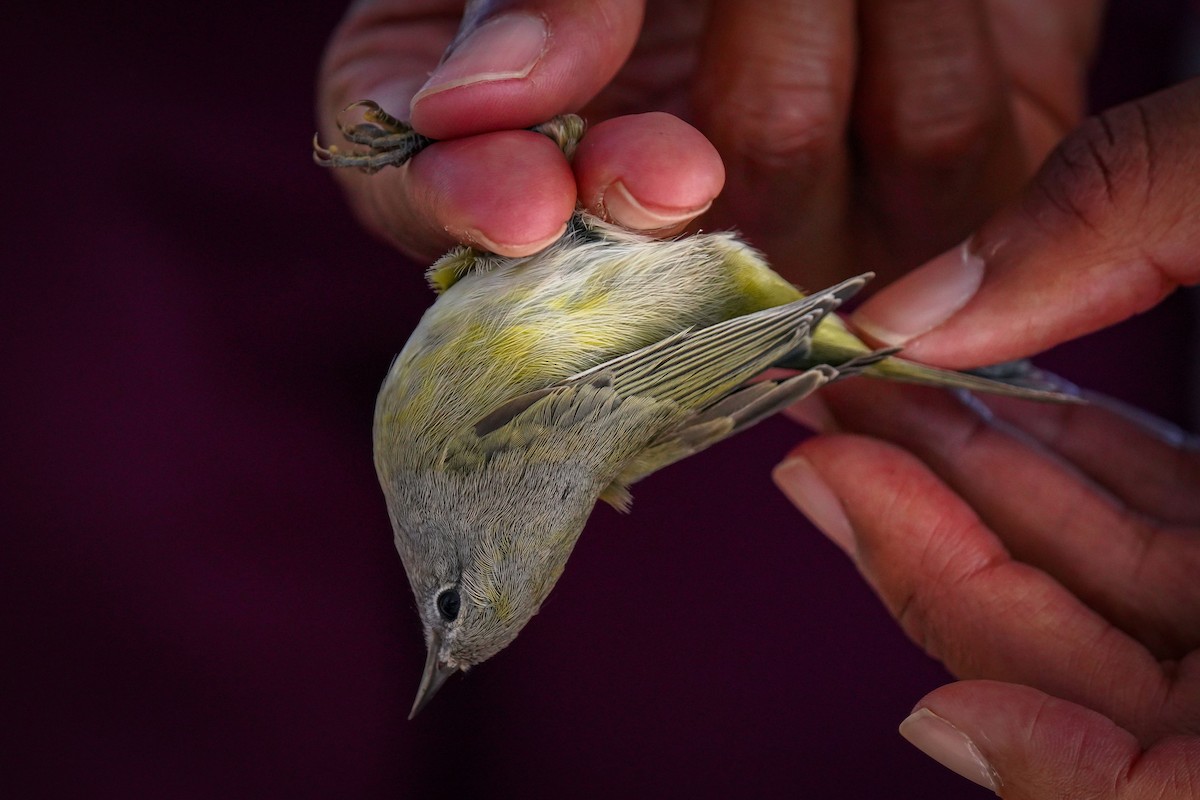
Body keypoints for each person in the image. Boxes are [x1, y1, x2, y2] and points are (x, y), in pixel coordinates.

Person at [317, 2, 1199, 796]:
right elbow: (667, 390)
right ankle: (971, 366)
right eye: (439, 609)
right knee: (550, 200)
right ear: (455, 573)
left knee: (516, 199)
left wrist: (440, 146)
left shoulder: (439, 455)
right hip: (679, 298)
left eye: (446, 620)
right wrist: (795, 342)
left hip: (670, 287)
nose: (426, 607)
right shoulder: (468, 461)